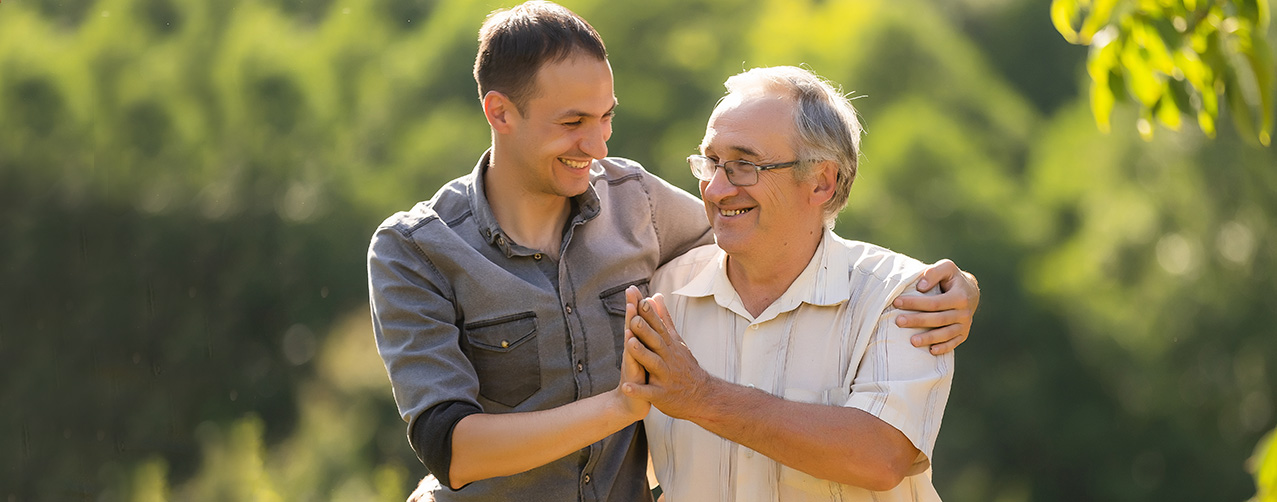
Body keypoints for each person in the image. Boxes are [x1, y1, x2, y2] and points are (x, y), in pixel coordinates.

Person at [366, 2, 978, 501]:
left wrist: (956, 290)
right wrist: (626, 405)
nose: (597, 143)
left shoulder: (635, 202)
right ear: (499, 112)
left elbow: (771, 235)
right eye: (573, 121)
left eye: (606, 117)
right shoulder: (417, 249)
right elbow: (455, 450)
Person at [624, 66, 959, 501]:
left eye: (745, 165)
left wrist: (702, 397)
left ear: (821, 181)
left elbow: (879, 456)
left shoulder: (902, 297)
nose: (716, 188)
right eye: (711, 162)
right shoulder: (662, 292)